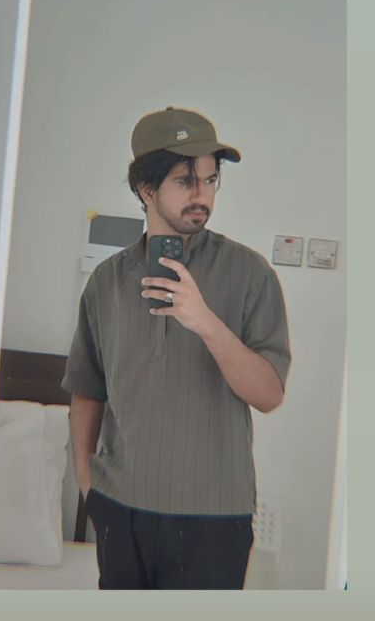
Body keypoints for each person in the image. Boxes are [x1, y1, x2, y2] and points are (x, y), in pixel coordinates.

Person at [61, 106, 291, 589]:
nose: (202, 195)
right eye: (186, 181)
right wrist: (88, 483)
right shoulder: (106, 283)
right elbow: (87, 390)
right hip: (120, 509)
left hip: (215, 518)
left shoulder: (251, 274)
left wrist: (206, 322)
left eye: (210, 180)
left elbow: (269, 395)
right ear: (146, 189)